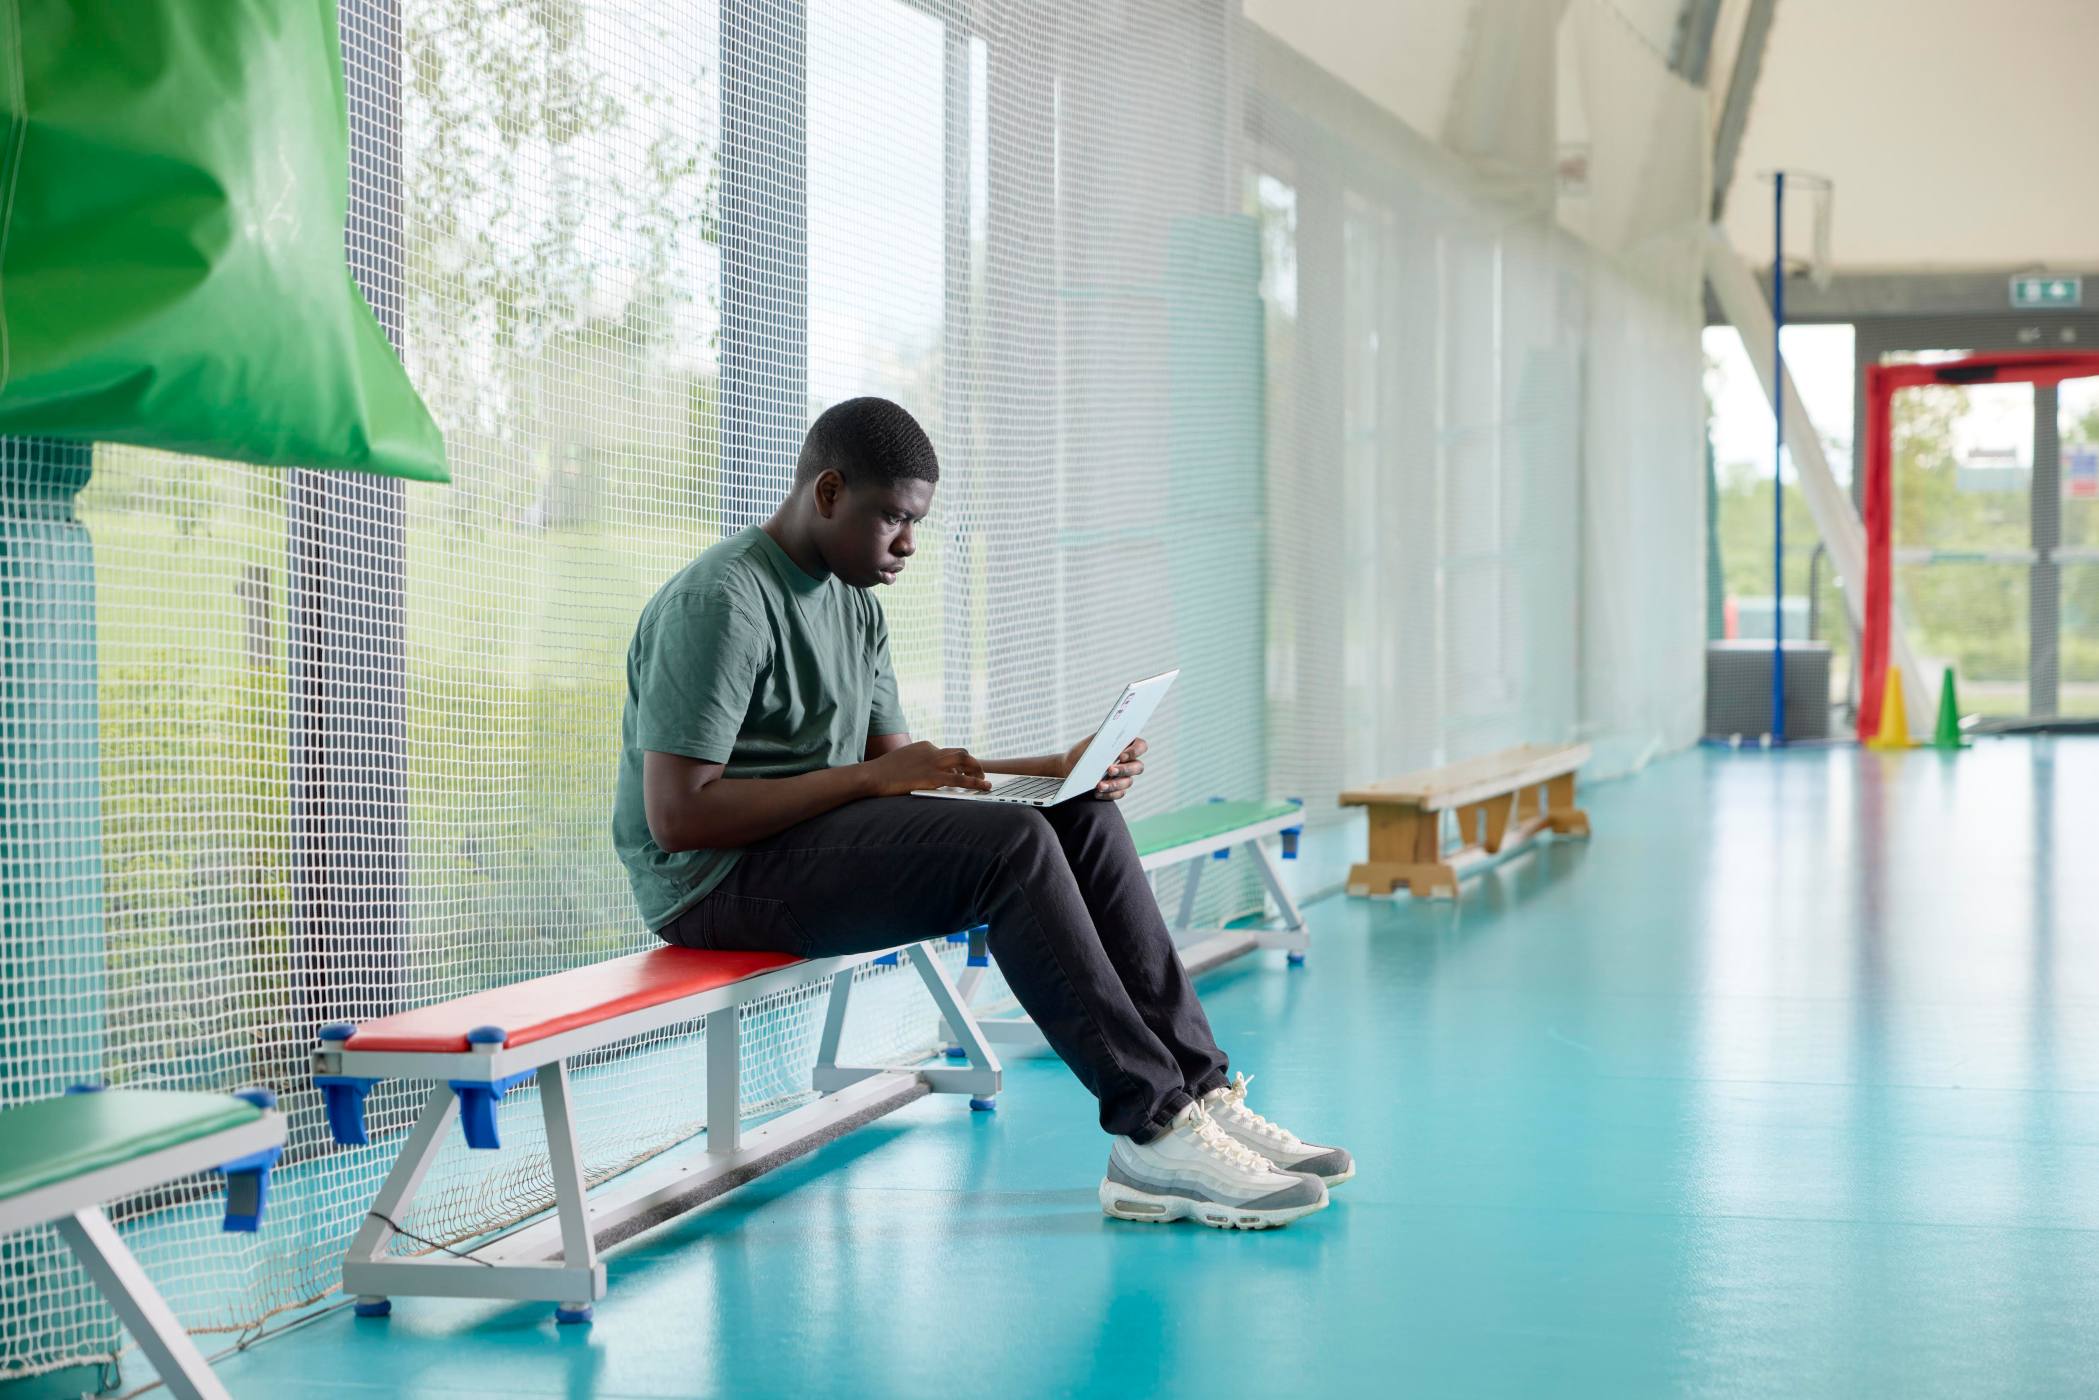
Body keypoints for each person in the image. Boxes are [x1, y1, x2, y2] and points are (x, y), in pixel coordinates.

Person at [612, 396, 1351, 1230]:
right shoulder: (724, 602)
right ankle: (1151, 1132)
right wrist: (870, 782)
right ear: (826, 493)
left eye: (915, 522)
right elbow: (680, 818)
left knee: (1079, 818)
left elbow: (901, 773)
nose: (907, 545)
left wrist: (1053, 768)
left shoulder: (854, 605)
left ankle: (1200, 1095)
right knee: (1010, 848)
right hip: (712, 883)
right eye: (892, 518)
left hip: (803, 849)